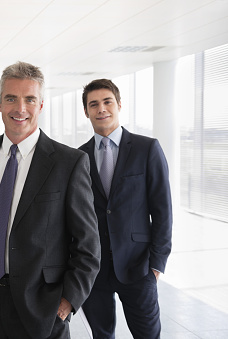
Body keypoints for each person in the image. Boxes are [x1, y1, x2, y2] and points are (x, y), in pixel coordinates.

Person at [0, 61, 101, 339]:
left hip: (43, 305)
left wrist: (68, 300)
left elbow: (88, 243)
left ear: (41, 105)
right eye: (11, 98)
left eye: (30, 99)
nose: (20, 108)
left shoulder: (68, 162)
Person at [79, 79, 173, 339]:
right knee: (102, 335)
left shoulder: (147, 148)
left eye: (107, 102)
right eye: (93, 104)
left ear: (119, 104)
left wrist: (157, 265)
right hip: (94, 270)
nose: (101, 109)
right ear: (86, 111)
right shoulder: (78, 157)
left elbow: (163, 209)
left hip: (138, 266)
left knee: (148, 334)